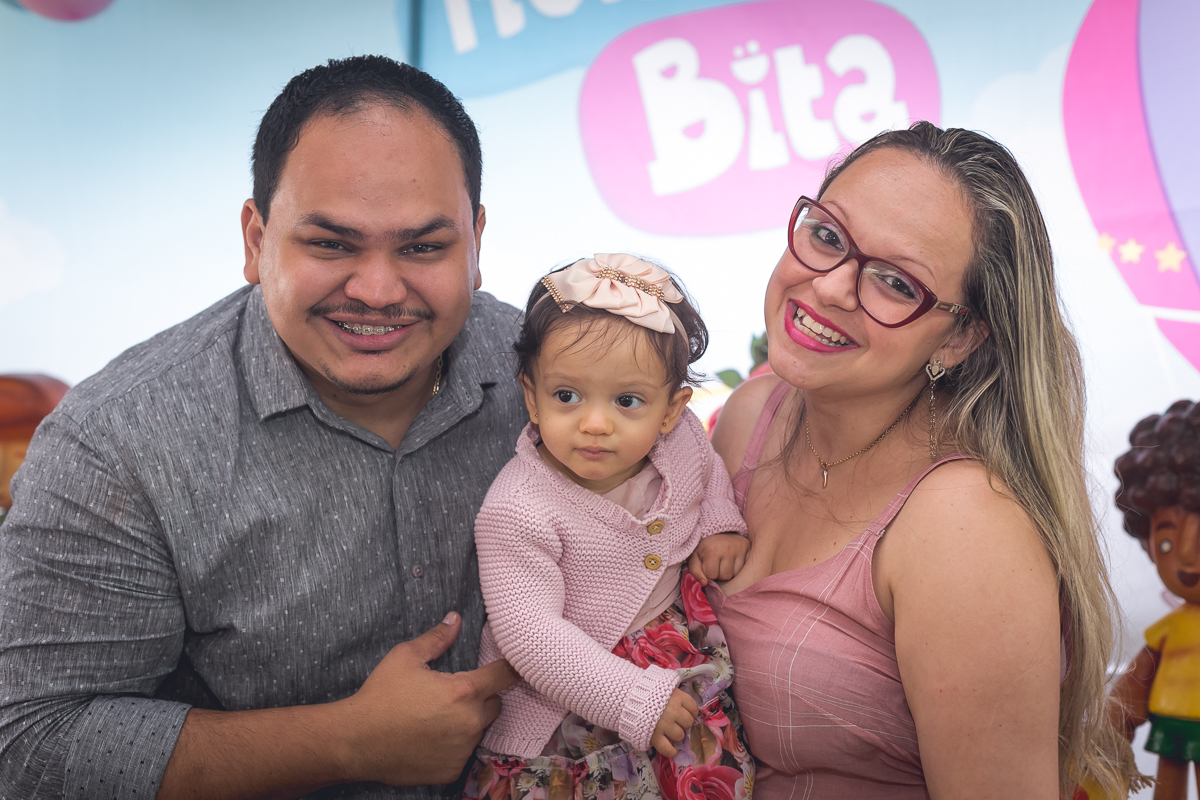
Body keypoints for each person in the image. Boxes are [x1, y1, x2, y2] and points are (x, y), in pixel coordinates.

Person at [0, 55, 526, 799]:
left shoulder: (556, 381)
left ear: (475, 242)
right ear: (255, 239)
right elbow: (30, 744)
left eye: (421, 247)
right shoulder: (118, 442)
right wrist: (347, 742)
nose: (377, 290)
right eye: (331, 244)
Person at [708, 122, 1139, 799]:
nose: (828, 288)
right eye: (826, 235)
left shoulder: (966, 524)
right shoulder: (749, 417)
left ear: (964, 336)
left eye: (895, 283)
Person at [463, 254, 754, 800]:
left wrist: (718, 523)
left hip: (673, 672)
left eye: (627, 401)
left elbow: (706, 468)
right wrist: (630, 698)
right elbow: (531, 637)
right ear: (531, 394)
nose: (594, 423)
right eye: (566, 396)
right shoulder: (517, 508)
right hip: (569, 713)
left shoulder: (682, 438)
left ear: (671, 410)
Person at [1110, 400, 1200, 800]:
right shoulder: (1168, 631)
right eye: (1166, 539)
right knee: (1169, 785)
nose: (1185, 557)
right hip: (1170, 721)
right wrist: (1116, 719)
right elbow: (1138, 679)